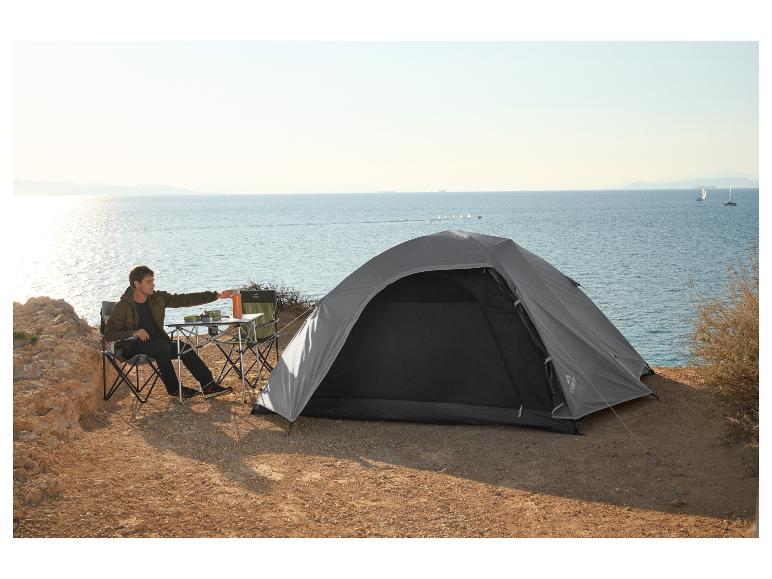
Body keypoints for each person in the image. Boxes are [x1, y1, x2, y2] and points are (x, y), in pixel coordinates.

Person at [104, 265, 234, 399]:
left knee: (184, 347)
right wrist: (133, 332)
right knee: (161, 346)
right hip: (132, 347)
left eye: (153, 281)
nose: (153, 285)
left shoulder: (158, 298)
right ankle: (174, 389)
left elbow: (184, 299)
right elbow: (109, 333)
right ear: (136, 284)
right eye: (149, 282)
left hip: (159, 344)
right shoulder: (122, 306)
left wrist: (217, 296)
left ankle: (209, 386)